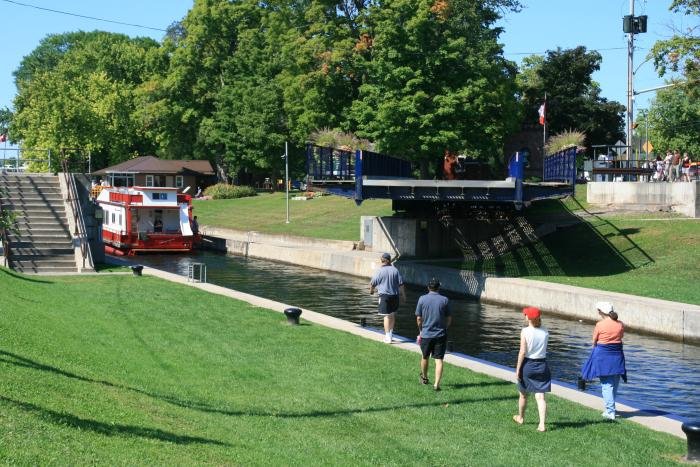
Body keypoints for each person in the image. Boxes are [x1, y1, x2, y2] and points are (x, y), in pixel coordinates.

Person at [581, 301, 626, 421]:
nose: (598, 312)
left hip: (603, 355)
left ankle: (610, 411)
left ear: (602, 312)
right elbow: (620, 337)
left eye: (599, 311)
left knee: (606, 384)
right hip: (617, 355)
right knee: (615, 383)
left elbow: (594, 340)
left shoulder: (600, 325)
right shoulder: (620, 324)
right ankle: (611, 408)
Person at [513, 306, 550, 432]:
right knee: (540, 397)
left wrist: (518, 369)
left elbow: (522, 351)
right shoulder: (545, 331)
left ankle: (521, 417)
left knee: (523, 394)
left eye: (525, 314)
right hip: (542, 365)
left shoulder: (525, 331)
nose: (524, 316)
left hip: (528, 364)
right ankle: (542, 424)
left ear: (528, 317)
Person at [416, 277, 451, 391]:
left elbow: (419, 318)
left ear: (428, 287)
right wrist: (445, 328)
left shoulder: (422, 299)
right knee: (439, 360)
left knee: (425, 357)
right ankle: (436, 384)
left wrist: (421, 330)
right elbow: (449, 318)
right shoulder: (444, 300)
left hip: (426, 334)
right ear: (438, 287)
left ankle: (425, 378)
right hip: (440, 334)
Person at [369, 252, 406, 343]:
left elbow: (373, 283)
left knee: (386, 316)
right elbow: (401, 284)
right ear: (389, 261)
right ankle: (390, 334)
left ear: (382, 261)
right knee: (392, 315)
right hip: (395, 296)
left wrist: (371, 291)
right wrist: (404, 296)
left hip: (384, 296)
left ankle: (387, 337)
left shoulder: (380, 271)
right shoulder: (395, 270)